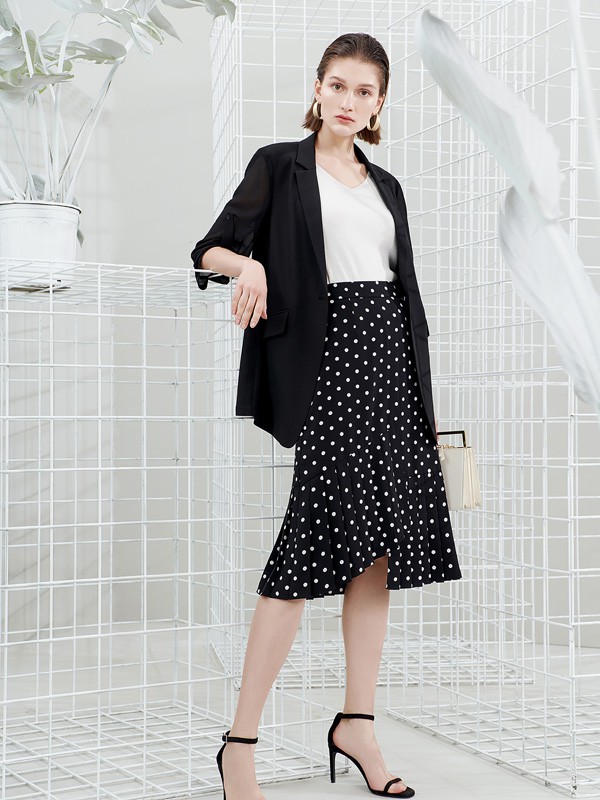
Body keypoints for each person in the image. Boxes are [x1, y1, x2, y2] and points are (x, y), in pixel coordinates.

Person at [191, 32, 462, 800]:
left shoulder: (388, 185)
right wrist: (249, 263)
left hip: (394, 370)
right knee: (304, 551)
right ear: (317, 89)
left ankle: (358, 724)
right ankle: (240, 742)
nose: (348, 101)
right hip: (331, 367)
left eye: (364, 91)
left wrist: (420, 397)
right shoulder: (280, 165)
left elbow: (400, 289)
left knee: (377, 553)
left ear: (380, 104)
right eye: (337, 85)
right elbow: (208, 250)